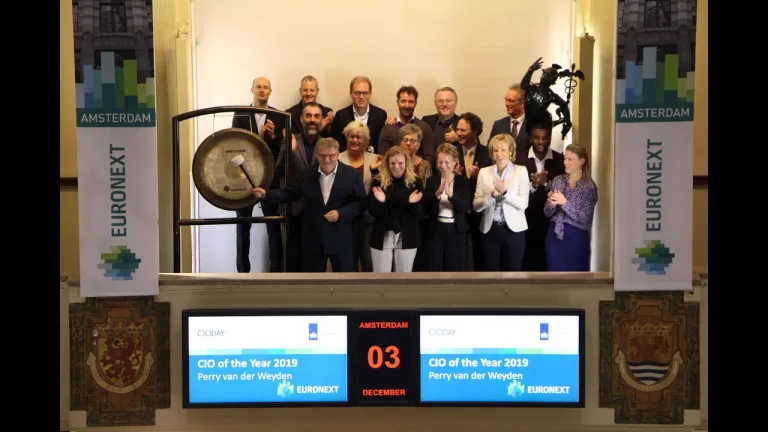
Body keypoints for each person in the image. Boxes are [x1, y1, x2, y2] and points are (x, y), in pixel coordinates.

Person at [253, 138, 366, 272]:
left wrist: (340, 214)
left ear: (337, 155)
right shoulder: (306, 174)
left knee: (343, 281)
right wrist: (266, 194)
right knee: (313, 282)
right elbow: (288, 193)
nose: (327, 160)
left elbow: (360, 203)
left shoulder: (352, 175)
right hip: (313, 239)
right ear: (317, 155)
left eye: (331, 156)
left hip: (341, 238)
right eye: (322, 156)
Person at [231, 76, 285, 273]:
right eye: (258, 87)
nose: (262, 90)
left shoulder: (279, 116)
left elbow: (283, 149)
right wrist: (259, 137)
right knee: (242, 226)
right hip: (244, 178)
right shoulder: (240, 114)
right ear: (252, 90)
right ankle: (242, 271)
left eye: (265, 87)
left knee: (273, 225)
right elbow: (235, 145)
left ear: (270, 91)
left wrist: (272, 136)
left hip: (270, 178)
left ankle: (276, 271)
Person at [473, 134, 530, 271]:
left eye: (503, 150)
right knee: (491, 273)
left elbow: (523, 204)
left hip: (514, 231)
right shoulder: (484, 172)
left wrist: (505, 192)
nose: (499, 154)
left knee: (513, 273)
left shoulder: (521, 171)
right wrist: (491, 197)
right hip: (490, 229)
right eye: (496, 150)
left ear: (511, 152)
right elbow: (476, 206)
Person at [368, 146, 424, 273]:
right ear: (387, 164)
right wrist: (406, 200)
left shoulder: (415, 182)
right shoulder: (378, 181)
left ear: (406, 163)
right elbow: (373, 211)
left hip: (407, 235)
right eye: (392, 163)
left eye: (400, 163)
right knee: (381, 278)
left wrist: (387, 200)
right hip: (382, 235)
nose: (396, 167)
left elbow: (418, 212)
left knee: (404, 278)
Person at [544, 144, 598, 271]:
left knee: (576, 278)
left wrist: (564, 203)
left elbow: (585, 218)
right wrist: (551, 204)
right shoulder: (557, 180)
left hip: (576, 238)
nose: (565, 162)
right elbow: (547, 213)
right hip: (554, 236)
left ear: (581, 161)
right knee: (554, 277)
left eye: (570, 159)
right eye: (565, 158)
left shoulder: (589, 187)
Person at [521, 119, 565, 271]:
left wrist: (546, 184)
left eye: (544, 138)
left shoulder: (560, 161)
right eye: (536, 138)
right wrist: (533, 185)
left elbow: (564, 192)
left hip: (551, 223)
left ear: (550, 138)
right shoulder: (519, 159)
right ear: (530, 138)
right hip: (525, 221)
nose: (540, 142)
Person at [421, 143, 472, 271]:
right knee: (434, 267)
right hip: (436, 228)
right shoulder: (432, 180)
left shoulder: (462, 181)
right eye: (440, 162)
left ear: (455, 162)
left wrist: (451, 195)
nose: (443, 166)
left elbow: (464, 208)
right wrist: (437, 194)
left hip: (456, 230)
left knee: (454, 268)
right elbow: (425, 207)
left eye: (447, 162)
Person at [338, 121, 381, 272]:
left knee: (368, 261)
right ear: (346, 138)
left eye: (359, 137)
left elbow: (381, 186)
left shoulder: (375, 159)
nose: (355, 140)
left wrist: (375, 172)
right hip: (344, 217)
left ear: (365, 140)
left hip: (368, 217)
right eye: (351, 136)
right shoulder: (337, 159)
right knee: (348, 261)